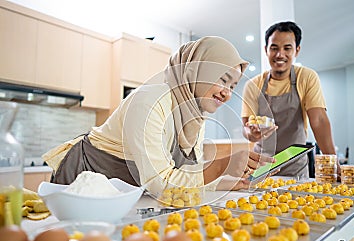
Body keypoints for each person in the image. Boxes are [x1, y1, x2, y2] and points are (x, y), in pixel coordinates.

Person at [42, 36, 275, 196]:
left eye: (233, 86)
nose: (227, 93)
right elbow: (160, 183)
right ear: (197, 70)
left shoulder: (195, 115)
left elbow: (189, 174)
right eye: (223, 80)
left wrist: (231, 182)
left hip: (126, 192)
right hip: (84, 181)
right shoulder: (151, 101)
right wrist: (223, 165)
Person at [241, 21, 337, 178]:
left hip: (296, 167)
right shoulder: (252, 85)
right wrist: (252, 133)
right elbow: (246, 129)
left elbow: (318, 120)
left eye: (287, 48)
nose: (280, 54)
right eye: (274, 48)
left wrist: (333, 165)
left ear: (297, 50)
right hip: (261, 167)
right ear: (266, 50)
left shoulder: (306, 77)